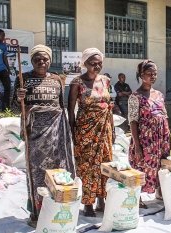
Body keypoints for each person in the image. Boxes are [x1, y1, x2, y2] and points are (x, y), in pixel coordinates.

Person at [11, 44, 75, 227]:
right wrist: (19, 98)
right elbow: (16, 108)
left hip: (55, 135)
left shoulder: (56, 80)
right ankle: (37, 212)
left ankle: (57, 206)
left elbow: (60, 108)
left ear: (50, 61)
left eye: (45, 59)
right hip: (34, 134)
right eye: (37, 59)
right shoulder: (23, 79)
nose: (41, 62)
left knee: (57, 171)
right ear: (31, 61)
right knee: (36, 172)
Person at [68, 48, 114, 217]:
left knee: (105, 162)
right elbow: (71, 108)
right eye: (93, 63)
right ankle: (88, 202)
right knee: (87, 165)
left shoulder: (106, 81)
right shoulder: (77, 82)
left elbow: (109, 106)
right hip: (86, 130)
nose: (97, 66)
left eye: (99, 63)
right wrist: (72, 131)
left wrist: (112, 129)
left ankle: (102, 199)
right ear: (85, 64)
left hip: (105, 129)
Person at [128, 59, 171, 207]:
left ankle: (159, 192)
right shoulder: (135, 96)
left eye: (155, 74)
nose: (153, 76)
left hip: (160, 138)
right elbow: (133, 121)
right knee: (141, 165)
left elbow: (164, 115)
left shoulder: (159, 94)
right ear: (141, 74)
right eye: (149, 73)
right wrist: (137, 146)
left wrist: (168, 137)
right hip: (144, 139)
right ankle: (137, 197)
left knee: (160, 164)